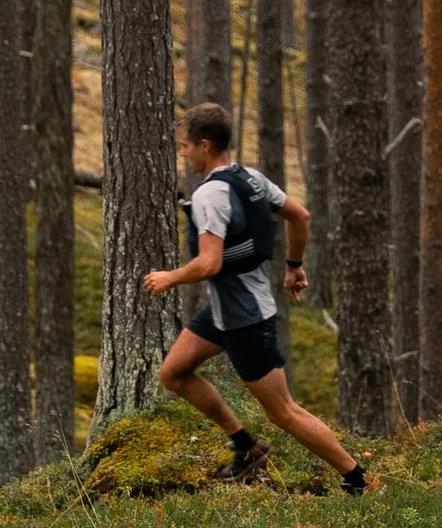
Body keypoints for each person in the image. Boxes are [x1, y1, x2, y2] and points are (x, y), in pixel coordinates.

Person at [147, 103, 370, 495]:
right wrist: (294, 266)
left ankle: (357, 478)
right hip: (224, 311)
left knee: (283, 411)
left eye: (185, 146)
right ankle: (246, 446)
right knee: (174, 372)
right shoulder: (251, 178)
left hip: (245, 318)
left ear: (205, 144)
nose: (183, 154)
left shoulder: (208, 196)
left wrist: (170, 277)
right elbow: (300, 216)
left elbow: (209, 263)